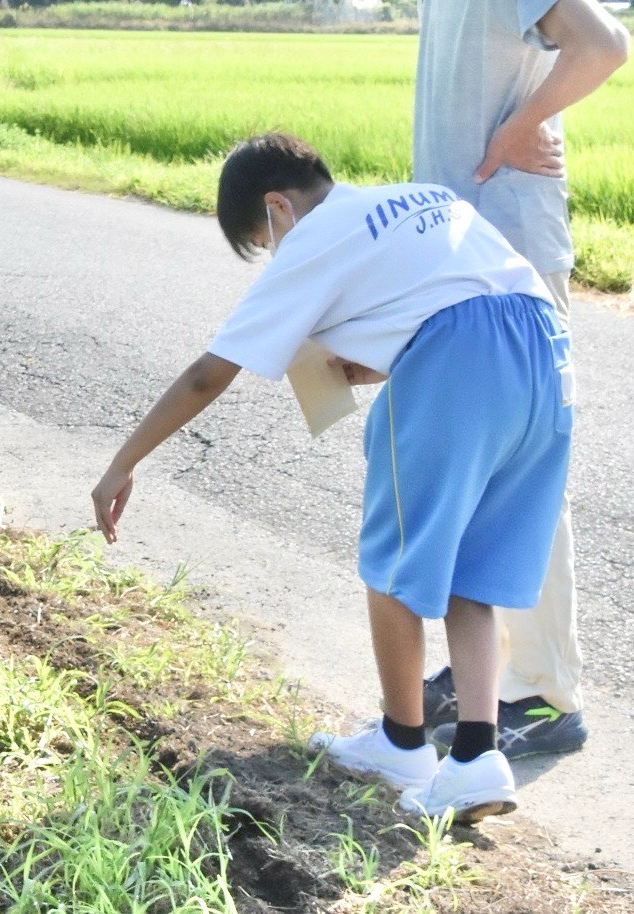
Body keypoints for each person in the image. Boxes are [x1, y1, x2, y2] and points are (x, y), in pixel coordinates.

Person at [91, 133, 573, 822]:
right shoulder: (415, 198)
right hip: (546, 359)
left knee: (392, 563)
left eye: (266, 242)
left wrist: (122, 461)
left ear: (279, 207)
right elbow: (466, 297)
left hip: (458, 363)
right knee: (474, 573)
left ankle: (405, 742)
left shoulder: (314, 238)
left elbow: (208, 373)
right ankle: (476, 755)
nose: (274, 256)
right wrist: (384, 358)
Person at [310, 0, 630, 758]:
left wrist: (523, 127)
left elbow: (604, 43)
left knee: (520, 475)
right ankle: (505, 676)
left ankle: (542, 690)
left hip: (510, 265)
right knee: (478, 474)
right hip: (458, 264)